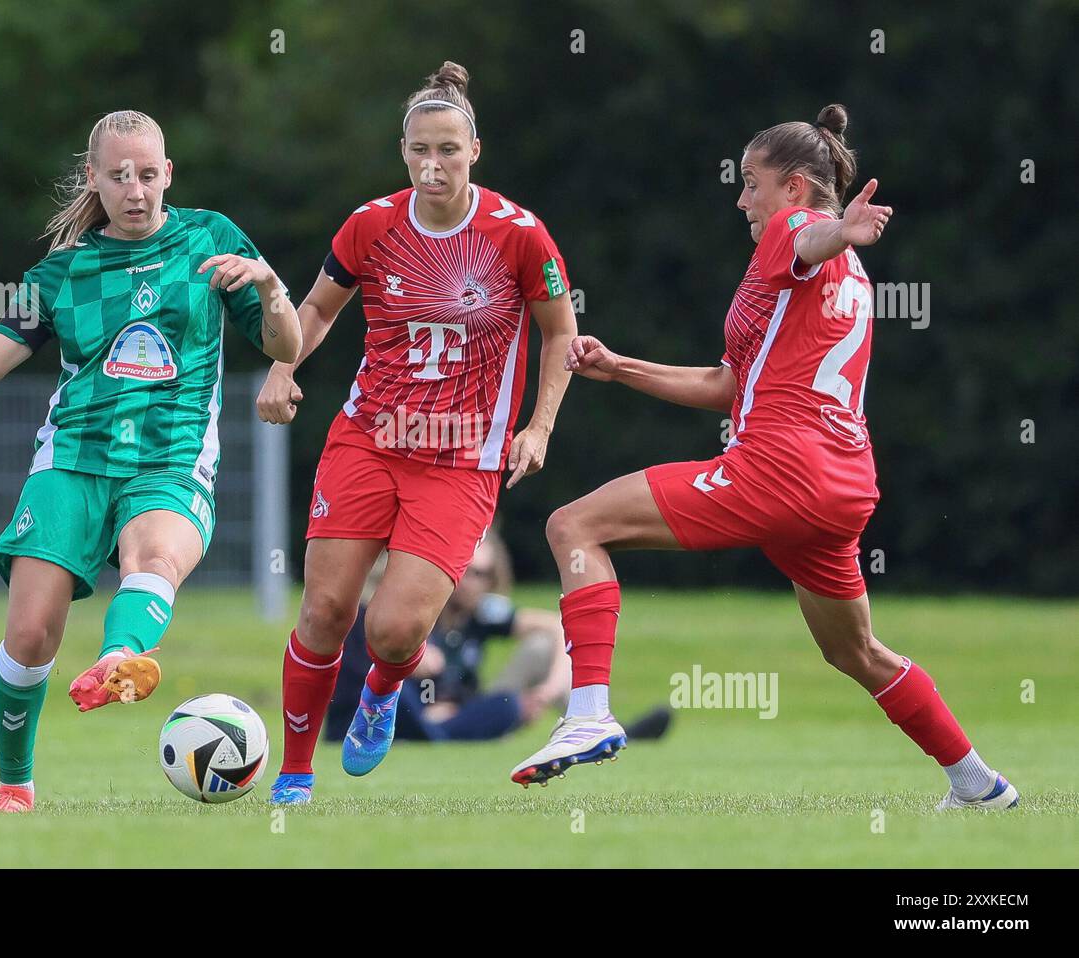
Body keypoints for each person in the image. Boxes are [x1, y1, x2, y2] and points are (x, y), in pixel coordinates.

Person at [511, 104, 1019, 811]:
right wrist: (621, 366)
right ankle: (979, 785)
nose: (741, 197)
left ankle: (589, 712)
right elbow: (729, 386)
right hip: (841, 484)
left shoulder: (795, 230)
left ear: (797, 187)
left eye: (753, 182)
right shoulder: (822, 278)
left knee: (572, 525)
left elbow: (813, 237)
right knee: (855, 652)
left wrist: (838, 229)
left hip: (783, 468)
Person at [0, 110, 301, 812]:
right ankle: (16, 786)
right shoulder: (61, 274)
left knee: (153, 557)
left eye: (149, 174)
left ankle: (118, 657)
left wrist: (269, 285)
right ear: (94, 180)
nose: (136, 190)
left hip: (171, 455)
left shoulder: (211, 240)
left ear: (169, 174)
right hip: (73, 457)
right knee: (30, 633)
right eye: (120, 176)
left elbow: (286, 345)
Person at [255, 62, 578, 804]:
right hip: (368, 439)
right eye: (419, 152)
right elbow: (319, 308)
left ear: (475, 151)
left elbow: (559, 334)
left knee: (397, 633)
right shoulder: (371, 224)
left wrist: (539, 426)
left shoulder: (519, 235)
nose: (433, 167)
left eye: (448, 151)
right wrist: (282, 366)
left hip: (463, 459)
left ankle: (379, 696)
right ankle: (296, 773)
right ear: (403, 151)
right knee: (326, 612)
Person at [324, 537, 675, 743]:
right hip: (409, 708)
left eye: (484, 574)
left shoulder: (483, 613)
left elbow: (557, 625)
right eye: (469, 572)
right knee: (487, 707)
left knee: (539, 650)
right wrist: (414, 661)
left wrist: (551, 688)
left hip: (462, 706)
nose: (475, 582)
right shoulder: (415, 605)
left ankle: (594, 720)